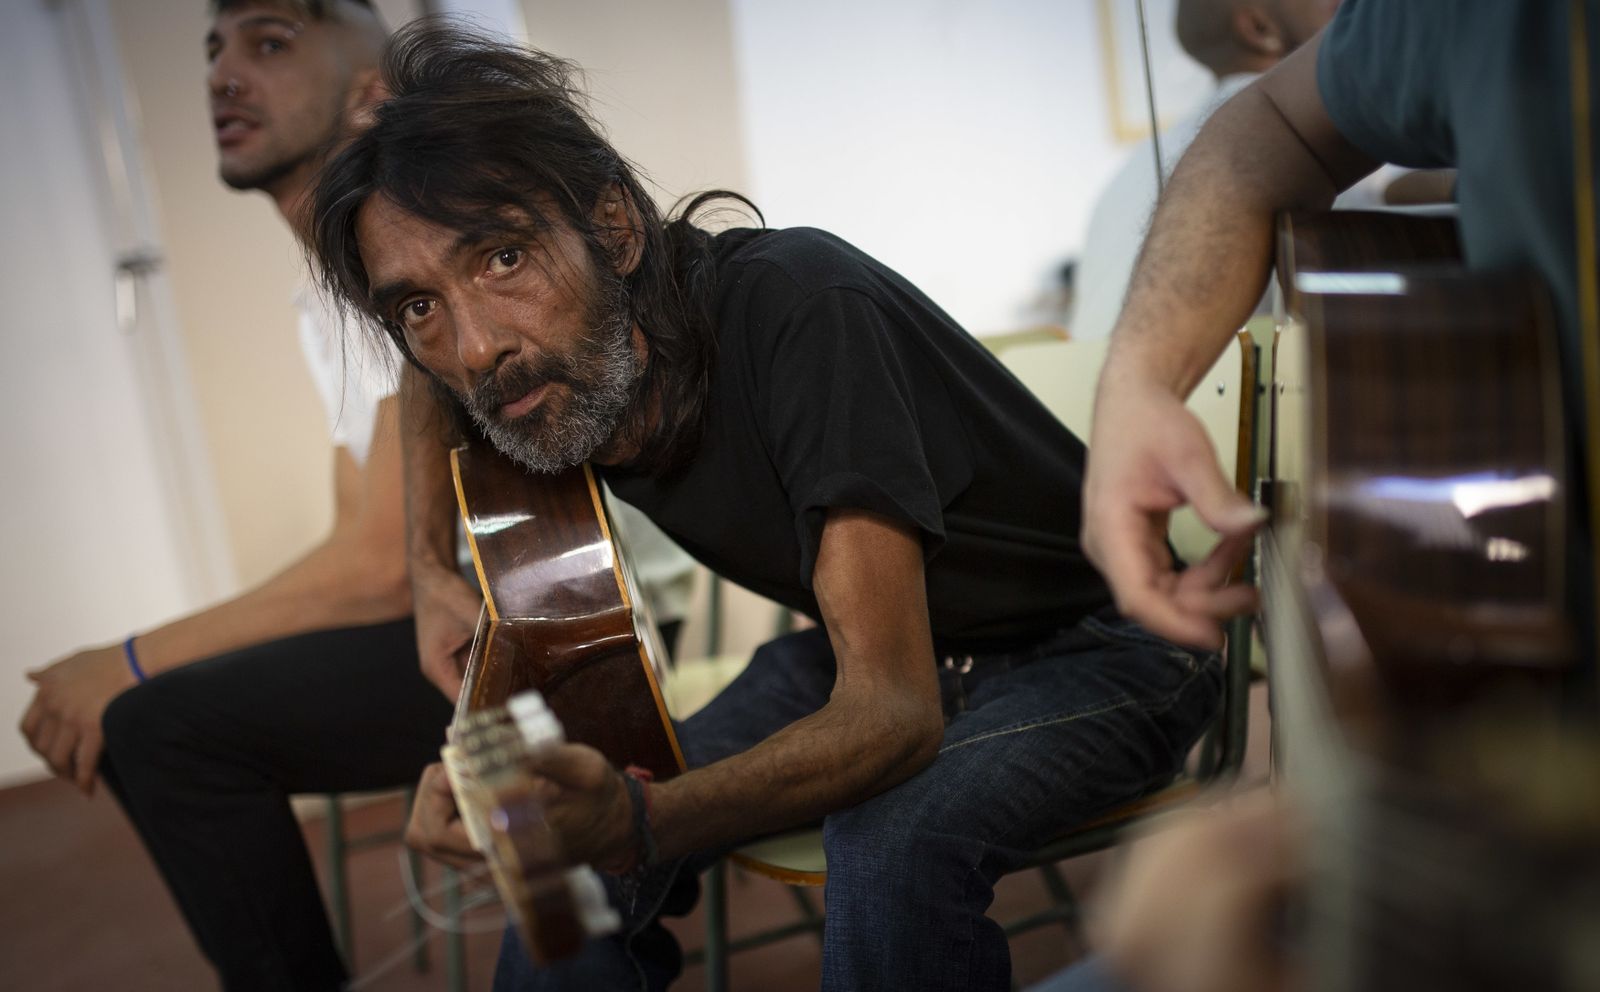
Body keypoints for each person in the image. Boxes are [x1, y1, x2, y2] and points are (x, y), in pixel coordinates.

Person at [307, 22, 1228, 992]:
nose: (474, 347)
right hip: (866, 656)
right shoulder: (525, 368)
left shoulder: (801, 306)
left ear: (614, 228)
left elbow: (890, 713)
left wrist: (645, 821)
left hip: (1104, 642)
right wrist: (427, 567)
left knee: (887, 836)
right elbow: (427, 381)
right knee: (565, 849)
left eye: (503, 258)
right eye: (419, 307)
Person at [16, 3, 694, 989]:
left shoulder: (417, 257)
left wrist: (124, 660)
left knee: (157, 724)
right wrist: (138, 662)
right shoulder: (329, 299)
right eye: (213, 49)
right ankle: (583, 919)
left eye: (271, 41)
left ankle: (594, 911)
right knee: (156, 716)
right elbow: (364, 544)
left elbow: (376, 569)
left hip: (579, 617)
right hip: (476, 620)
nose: (223, 75)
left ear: (373, 91)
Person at [1080, 0, 1597, 652]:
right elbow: (1300, 155)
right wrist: (1139, 387)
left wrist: (1131, 391)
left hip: (1170, 491)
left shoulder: (1138, 164)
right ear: (1258, 28)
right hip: (1213, 489)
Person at [1071, 0, 1342, 342]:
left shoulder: (1136, 163)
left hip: (1096, 373)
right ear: (1259, 30)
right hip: (1214, 375)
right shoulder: (1302, 134)